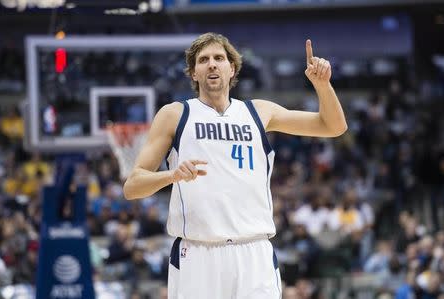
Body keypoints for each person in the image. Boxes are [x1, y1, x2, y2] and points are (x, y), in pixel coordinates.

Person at [123, 32, 347, 299]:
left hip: (254, 251)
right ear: (193, 73)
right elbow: (132, 186)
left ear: (232, 68)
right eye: (203, 60)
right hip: (198, 253)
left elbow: (334, 126)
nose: (212, 64)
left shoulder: (259, 111)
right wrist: (171, 175)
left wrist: (323, 86)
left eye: (219, 58)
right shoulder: (175, 114)